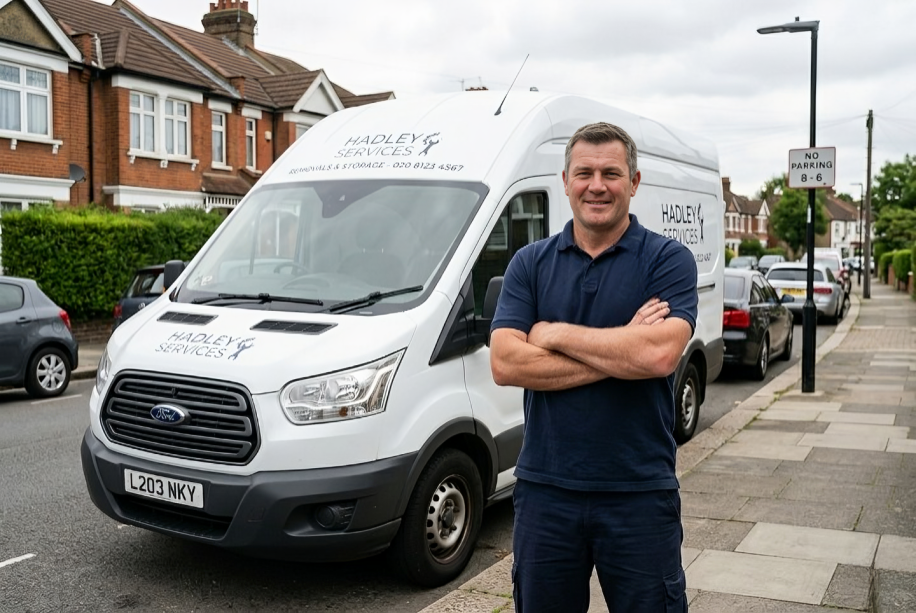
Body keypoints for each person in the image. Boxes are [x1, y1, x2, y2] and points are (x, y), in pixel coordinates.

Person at [489, 122, 697, 612]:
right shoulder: (529, 263)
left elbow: (659, 356)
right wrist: (624, 346)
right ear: (565, 181)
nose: (596, 185)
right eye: (584, 173)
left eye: (611, 173)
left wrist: (553, 334)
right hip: (545, 492)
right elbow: (504, 362)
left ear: (635, 182)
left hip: (639, 491)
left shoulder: (667, 260)